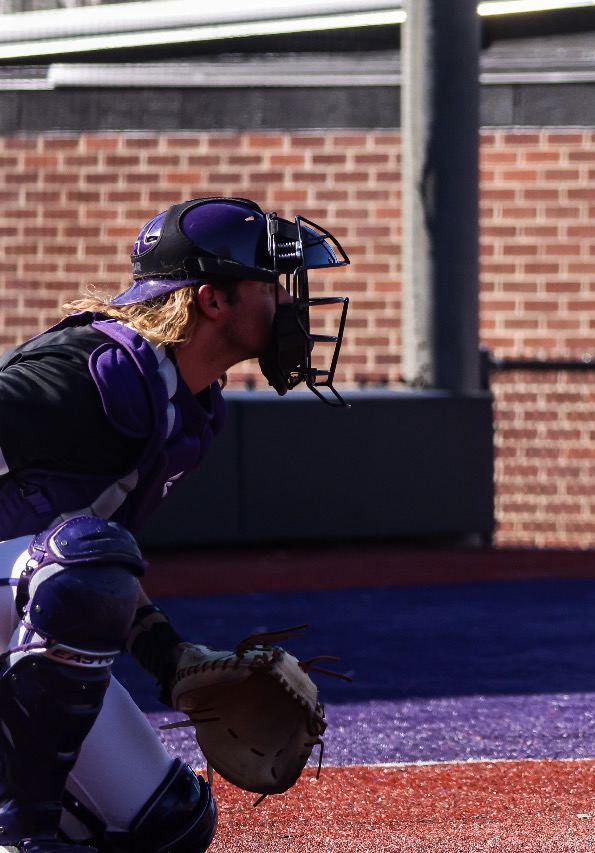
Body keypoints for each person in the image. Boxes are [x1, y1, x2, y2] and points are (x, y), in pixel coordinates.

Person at [0, 197, 349, 853]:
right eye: (269, 284)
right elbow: (72, 562)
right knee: (83, 561)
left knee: (168, 823)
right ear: (212, 300)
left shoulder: (185, 406)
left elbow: (77, 552)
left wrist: (172, 657)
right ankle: (21, 837)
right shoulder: (95, 375)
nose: (286, 303)